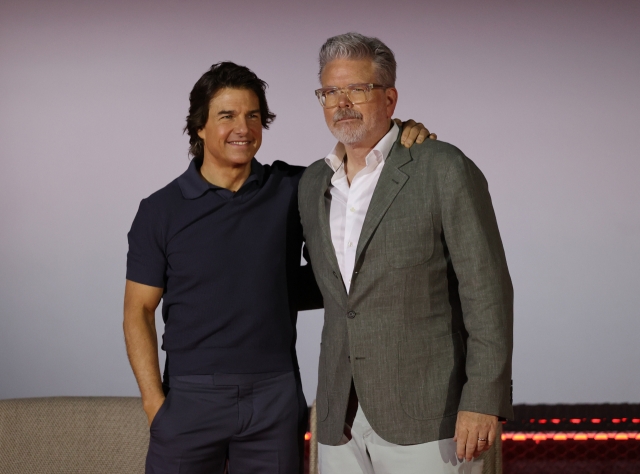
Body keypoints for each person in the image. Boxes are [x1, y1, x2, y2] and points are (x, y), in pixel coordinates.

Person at [123, 61, 432, 474]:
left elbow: (362, 184)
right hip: (190, 396)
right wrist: (155, 405)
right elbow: (138, 311)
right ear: (198, 127)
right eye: (227, 116)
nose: (243, 127)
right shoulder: (160, 210)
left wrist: (401, 133)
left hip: (274, 394)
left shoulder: (292, 188)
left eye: (253, 116)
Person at [298, 33, 514, 474]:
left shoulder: (442, 167)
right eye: (330, 92)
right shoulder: (311, 184)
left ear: (390, 97)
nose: (342, 103)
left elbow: (487, 292)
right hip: (341, 418)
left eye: (357, 89)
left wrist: (482, 400)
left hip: (430, 417)